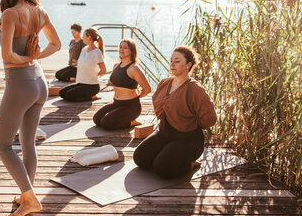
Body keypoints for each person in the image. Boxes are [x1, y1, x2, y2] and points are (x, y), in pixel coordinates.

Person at [0, 0, 61, 216]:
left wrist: (26, 57)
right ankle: (26, 195)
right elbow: (56, 44)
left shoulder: (11, 14)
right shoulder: (40, 12)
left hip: (19, 85)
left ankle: (30, 197)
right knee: (27, 143)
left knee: (2, 145)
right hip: (39, 83)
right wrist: (35, 57)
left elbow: (7, 56)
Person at [133, 46, 217, 179]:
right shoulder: (164, 83)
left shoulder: (195, 89)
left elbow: (210, 118)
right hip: (164, 133)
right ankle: (167, 152)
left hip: (188, 139)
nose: (172, 64)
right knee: (140, 158)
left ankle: (190, 163)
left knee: (162, 168)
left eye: (177, 61)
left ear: (188, 65)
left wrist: (190, 124)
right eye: (171, 61)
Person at [93, 39, 151, 129]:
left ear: (132, 51)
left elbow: (147, 89)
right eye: (120, 47)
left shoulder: (134, 68)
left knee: (106, 123)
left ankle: (131, 122)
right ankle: (119, 115)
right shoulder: (116, 66)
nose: (121, 50)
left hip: (131, 106)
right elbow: (112, 81)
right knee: (96, 119)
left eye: (125, 48)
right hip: (116, 103)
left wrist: (136, 97)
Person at [58, 27, 107, 102]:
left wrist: (92, 75)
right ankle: (85, 94)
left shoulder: (97, 52)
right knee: (62, 93)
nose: (82, 37)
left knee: (69, 96)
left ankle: (91, 97)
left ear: (89, 37)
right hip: (80, 83)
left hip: (91, 86)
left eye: (84, 35)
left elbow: (103, 70)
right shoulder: (84, 49)